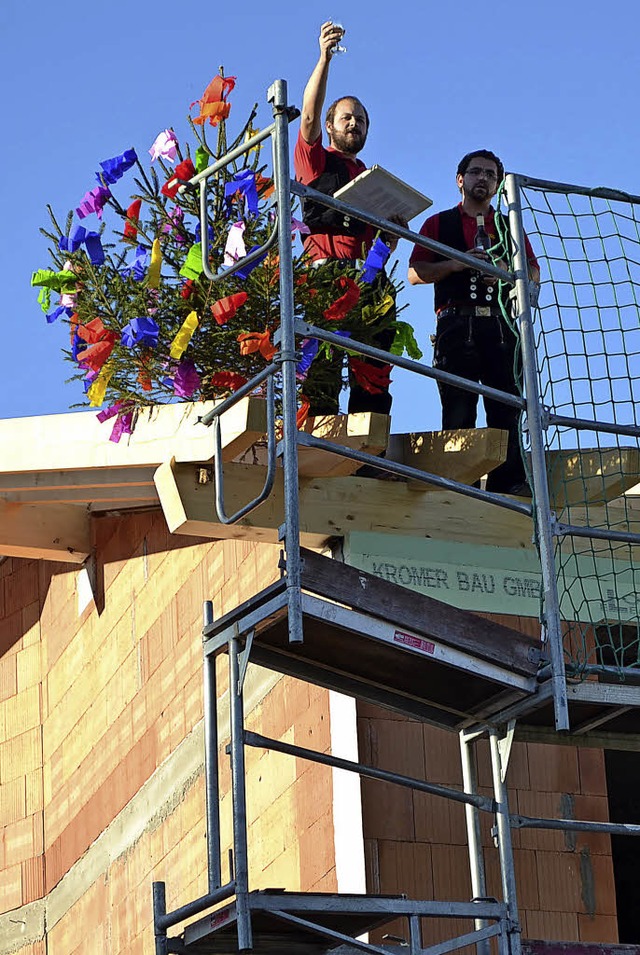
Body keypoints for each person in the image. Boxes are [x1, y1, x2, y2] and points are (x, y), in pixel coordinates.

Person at [408, 149, 541, 495]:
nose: (483, 178)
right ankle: (458, 486)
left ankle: (508, 485)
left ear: (497, 185)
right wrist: (455, 264)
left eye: (490, 175)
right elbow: (415, 272)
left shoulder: (507, 227)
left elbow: (533, 271)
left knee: (506, 408)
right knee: (459, 406)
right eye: (476, 172)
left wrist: (504, 278)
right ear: (460, 179)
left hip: (500, 325)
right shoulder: (438, 223)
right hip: (455, 323)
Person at [294, 21, 401, 417]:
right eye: (346, 118)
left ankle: (366, 456)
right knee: (321, 369)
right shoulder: (315, 160)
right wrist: (324, 58)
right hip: (326, 278)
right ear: (330, 125)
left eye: (361, 120)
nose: (354, 123)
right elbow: (306, 117)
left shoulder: (373, 180)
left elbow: (381, 244)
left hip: (370, 282)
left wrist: (394, 232)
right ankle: (319, 452)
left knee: (373, 373)